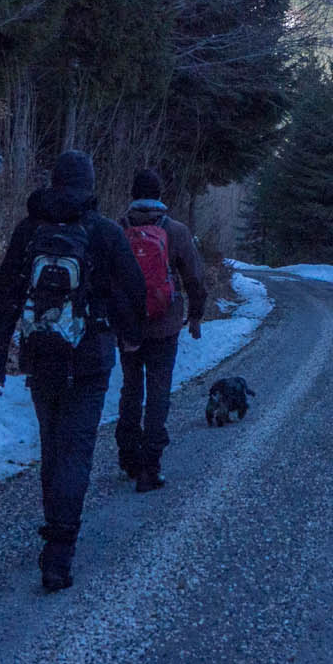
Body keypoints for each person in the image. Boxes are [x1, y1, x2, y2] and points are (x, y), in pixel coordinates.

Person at [0, 150, 145, 591]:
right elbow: (132, 289)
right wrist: (132, 336)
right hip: (90, 359)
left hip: (40, 355)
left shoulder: (29, 229)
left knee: (52, 446)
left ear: (53, 181)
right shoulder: (106, 232)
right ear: (89, 184)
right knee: (76, 449)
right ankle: (59, 549)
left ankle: (53, 527)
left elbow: (4, 295)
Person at [115, 166, 208, 493]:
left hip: (127, 325)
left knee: (130, 389)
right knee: (158, 392)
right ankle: (150, 465)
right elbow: (194, 277)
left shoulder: (118, 228)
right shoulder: (176, 230)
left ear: (132, 194)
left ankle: (128, 456)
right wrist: (195, 315)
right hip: (165, 325)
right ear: (159, 196)